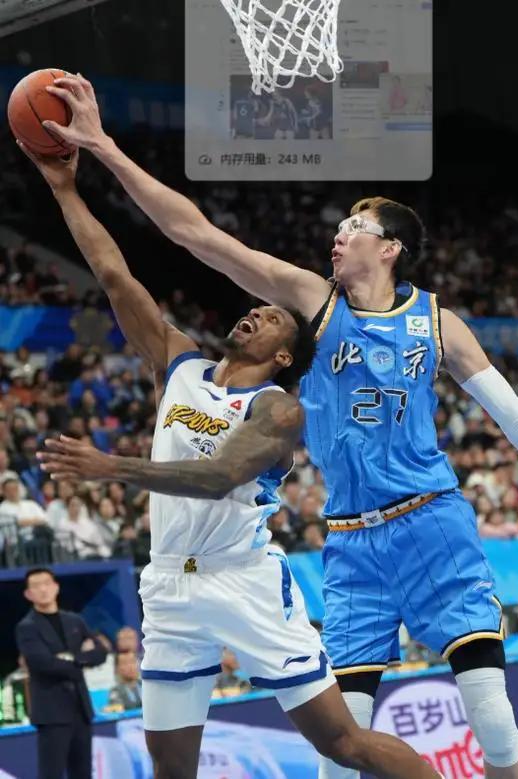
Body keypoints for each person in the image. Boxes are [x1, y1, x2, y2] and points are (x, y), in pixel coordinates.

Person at [43, 74, 518, 779]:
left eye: (355, 228)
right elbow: (194, 233)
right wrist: (103, 148)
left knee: (490, 711)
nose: (339, 234)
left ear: (390, 248)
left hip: (431, 519)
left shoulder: (439, 323)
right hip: (351, 538)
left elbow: (514, 415)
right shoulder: (313, 302)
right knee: (341, 751)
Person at [25, 142, 440, 779]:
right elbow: (114, 275)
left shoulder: (278, 409)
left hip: (243, 582)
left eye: (270, 318)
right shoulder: (180, 366)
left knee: (342, 743)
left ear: (283, 356)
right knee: (171, 769)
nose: (254, 313)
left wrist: (114, 468)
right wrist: (64, 188)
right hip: (169, 583)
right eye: (255, 309)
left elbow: (218, 477)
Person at [15, 567, 107, 779]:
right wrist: (81, 658)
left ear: (56, 587)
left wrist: (70, 658)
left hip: (81, 709)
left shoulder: (75, 620)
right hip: (52, 713)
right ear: (28, 594)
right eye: (36, 586)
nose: (43, 589)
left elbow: (100, 651)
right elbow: (42, 663)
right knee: (51, 774)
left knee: (83, 773)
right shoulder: (27, 627)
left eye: (47, 583)